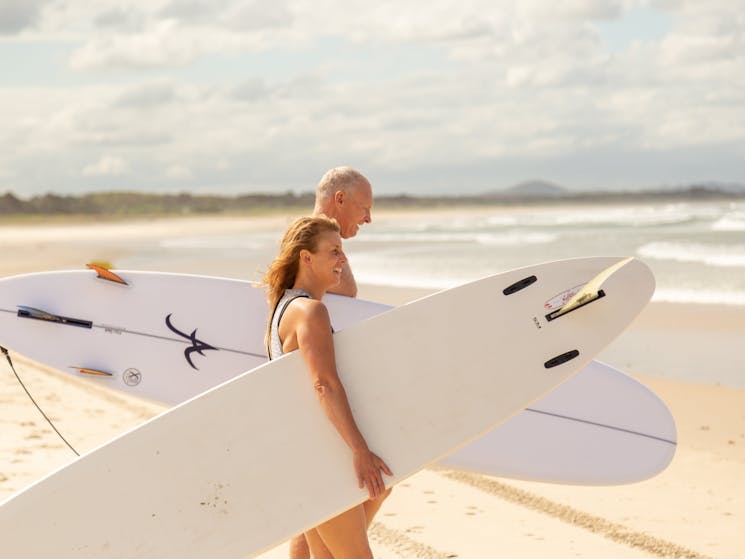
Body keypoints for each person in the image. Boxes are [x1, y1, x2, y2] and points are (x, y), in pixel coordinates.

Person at [263, 215, 392, 558]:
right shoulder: (310, 312)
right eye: (334, 251)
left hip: (304, 458)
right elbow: (324, 385)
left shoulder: (282, 309)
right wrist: (359, 450)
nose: (343, 259)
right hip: (321, 460)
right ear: (306, 257)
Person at [311, 166, 374, 298]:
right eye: (364, 208)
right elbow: (348, 291)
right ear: (340, 199)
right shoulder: (308, 243)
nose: (369, 219)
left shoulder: (316, 240)